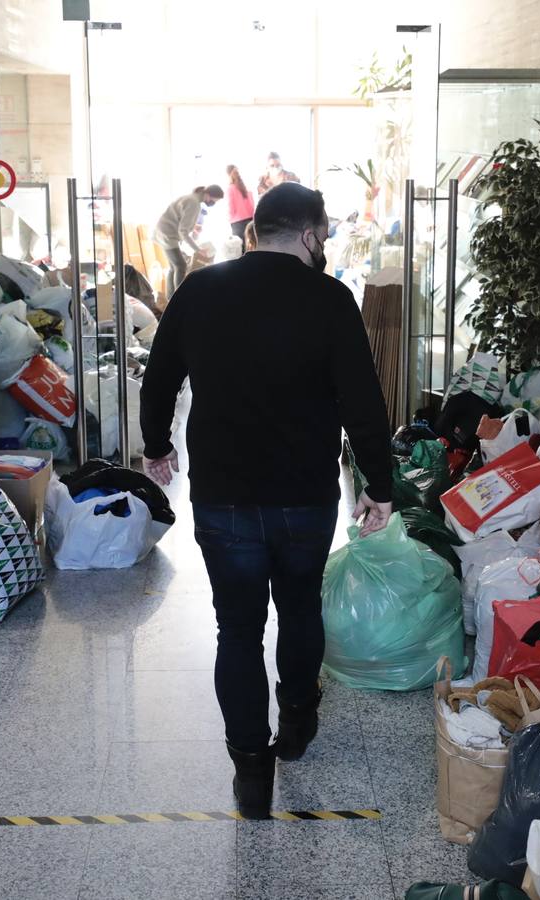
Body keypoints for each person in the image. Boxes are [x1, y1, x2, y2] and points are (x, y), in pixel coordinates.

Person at [140, 182, 393, 819]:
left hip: (225, 497)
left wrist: (155, 446)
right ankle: (298, 723)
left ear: (258, 230)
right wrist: (380, 487)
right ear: (309, 235)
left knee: (238, 629)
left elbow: (160, 375)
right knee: (300, 609)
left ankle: (251, 772)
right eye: (326, 236)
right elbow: (362, 404)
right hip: (305, 498)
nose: (326, 246)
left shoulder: (200, 289)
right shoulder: (331, 300)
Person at [154, 185, 224, 296]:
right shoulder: (194, 204)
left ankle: (171, 298)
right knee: (180, 265)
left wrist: (193, 226)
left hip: (162, 231)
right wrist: (198, 249)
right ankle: (178, 298)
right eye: (216, 200)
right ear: (209, 195)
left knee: (174, 267)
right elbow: (183, 231)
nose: (214, 202)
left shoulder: (191, 198)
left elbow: (179, 217)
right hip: (167, 234)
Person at [226, 164, 255, 251]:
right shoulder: (245, 187)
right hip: (250, 220)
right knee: (252, 246)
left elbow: (231, 208)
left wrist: (229, 219)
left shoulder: (230, 188)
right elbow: (252, 204)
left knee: (241, 249)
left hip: (237, 223)